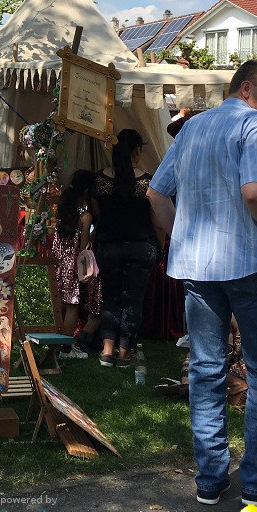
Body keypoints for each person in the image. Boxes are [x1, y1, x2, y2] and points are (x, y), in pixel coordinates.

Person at [147, 59, 257, 509]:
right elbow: (255, 192)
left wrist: (180, 239)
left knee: (206, 369)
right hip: (249, 263)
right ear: (248, 89)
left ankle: (210, 478)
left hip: (197, 267)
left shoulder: (192, 128)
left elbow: (156, 193)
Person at [93, 128, 164, 369]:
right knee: (134, 298)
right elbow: (157, 220)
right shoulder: (148, 181)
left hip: (109, 245)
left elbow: (97, 215)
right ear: (137, 152)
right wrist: (161, 242)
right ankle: (125, 353)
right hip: (140, 246)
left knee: (110, 297)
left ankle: (107, 351)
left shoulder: (100, 180)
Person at [51, 170, 102, 358]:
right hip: (73, 265)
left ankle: (55, 344)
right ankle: (65, 347)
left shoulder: (63, 209)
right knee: (72, 305)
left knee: (60, 304)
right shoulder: (85, 216)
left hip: (58, 262)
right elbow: (83, 248)